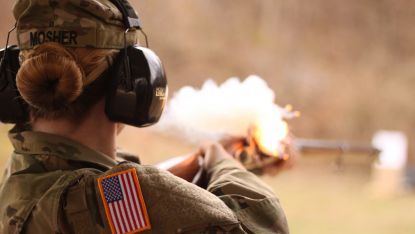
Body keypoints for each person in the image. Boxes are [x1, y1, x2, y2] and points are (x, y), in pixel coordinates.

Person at [0, 0, 289, 233]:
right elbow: (263, 225)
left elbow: (120, 196)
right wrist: (221, 160)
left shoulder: (20, 174)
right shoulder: (126, 193)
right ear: (132, 84)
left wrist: (195, 164)